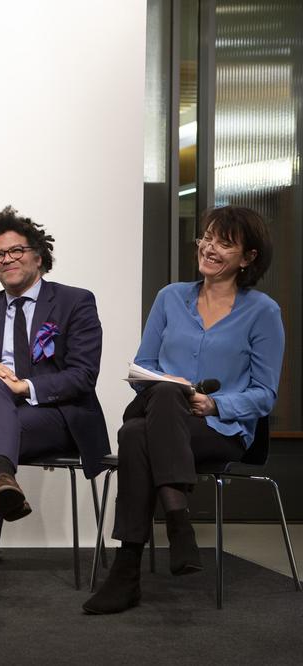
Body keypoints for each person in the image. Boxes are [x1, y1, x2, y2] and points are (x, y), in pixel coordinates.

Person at [84, 206, 283, 614]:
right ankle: (178, 519)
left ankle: (126, 572)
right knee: (165, 394)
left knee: (134, 436)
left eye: (224, 243)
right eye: (206, 237)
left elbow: (265, 394)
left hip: (218, 431)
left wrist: (215, 403)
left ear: (247, 258)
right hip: (163, 413)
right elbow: (144, 368)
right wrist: (174, 389)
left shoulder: (263, 312)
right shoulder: (170, 297)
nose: (209, 248)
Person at [0, 205, 110, 604]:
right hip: (1, 418)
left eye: (16, 251)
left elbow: (83, 375)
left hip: (57, 417)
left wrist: (23, 386)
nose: (7, 260)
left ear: (38, 255)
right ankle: (3, 476)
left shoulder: (75, 302)